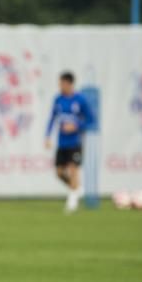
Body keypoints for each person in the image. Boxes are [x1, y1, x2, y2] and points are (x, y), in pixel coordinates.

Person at [43, 71, 95, 213]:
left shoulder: (80, 100)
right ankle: (77, 189)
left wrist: (76, 126)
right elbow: (52, 119)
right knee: (59, 173)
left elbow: (91, 121)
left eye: (62, 83)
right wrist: (47, 136)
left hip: (75, 142)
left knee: (73, 170)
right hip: (62, 143)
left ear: (69, 83)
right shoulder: (58, 99)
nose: (60, 86)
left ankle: (72, 202)